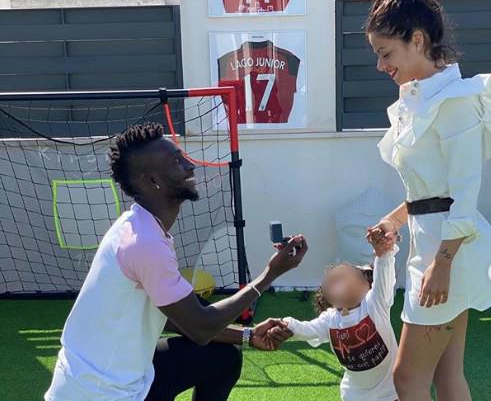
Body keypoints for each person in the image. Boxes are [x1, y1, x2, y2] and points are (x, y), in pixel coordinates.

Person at [44, 122, 307, 401]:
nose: (189, 166)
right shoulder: (144, 243)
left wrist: (248, 335)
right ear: (152, 181)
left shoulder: (142, 228)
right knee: (209, 338)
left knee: (223, 356)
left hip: (124, 379)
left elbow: (173, 316)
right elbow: (200, 328)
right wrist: (270, 274)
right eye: (176, 161)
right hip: (100, 393)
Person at [365, 0, 491, 400]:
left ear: (417, 40)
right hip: (437, 248)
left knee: (407, 378)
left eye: (386, 53)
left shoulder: (455, 102)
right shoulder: (420, 101)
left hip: (449, 253)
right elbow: (429, 190)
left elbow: (464, 189)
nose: (380, 66)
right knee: (447, 374)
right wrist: (395, 220)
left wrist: (443, 264)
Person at [267, 230, 400, 400]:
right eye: (332, 279)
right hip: (354, 396)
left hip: (390, 394)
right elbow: (306, 329)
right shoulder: (330, 320)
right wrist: (285, 325)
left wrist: (383, 252)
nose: (337, 279)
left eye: (345, 276)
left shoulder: (375, 304)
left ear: (367, 286)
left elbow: (384, 269)